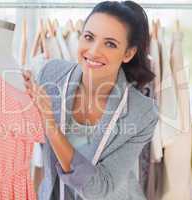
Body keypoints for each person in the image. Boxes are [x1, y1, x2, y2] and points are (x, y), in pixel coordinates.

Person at [23, 1, 158, 199]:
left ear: (128, 53)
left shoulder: (142, 113)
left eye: (110, 44)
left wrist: (50, 125)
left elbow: (100, 189)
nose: (93, 51)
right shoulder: (49, 74)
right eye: (89, 37)